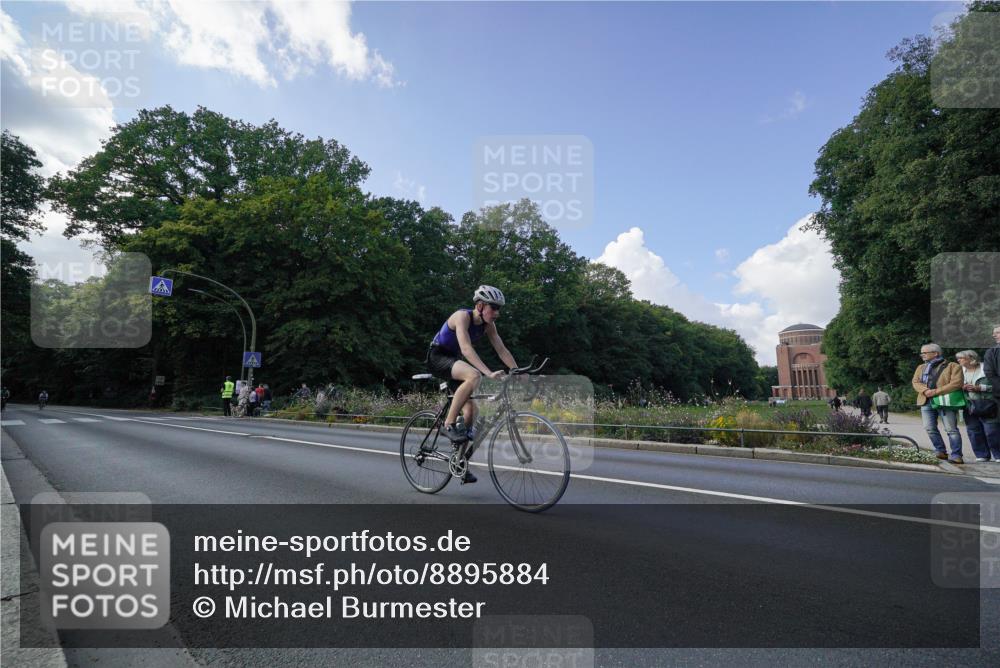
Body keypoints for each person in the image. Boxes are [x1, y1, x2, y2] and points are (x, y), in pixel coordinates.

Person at [426, 285, 518, 483]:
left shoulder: (488, 326)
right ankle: (448, 424)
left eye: (499, 309)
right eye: (493, 308)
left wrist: (518, 371)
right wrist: (488, 373)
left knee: (471, 412)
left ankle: (459, 462)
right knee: (474, 375)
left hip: (454, 362)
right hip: (438, 356)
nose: (497, 313)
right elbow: (466, 349)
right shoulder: (462, 317)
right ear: (480, 305)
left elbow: (502, 350)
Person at [912, 343, 965, 464]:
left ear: (935, 353)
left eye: (925, 353)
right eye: (922, 353)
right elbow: (915, 382)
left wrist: (935, 392)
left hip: (945, 401)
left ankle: (957, 455)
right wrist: (925, 391)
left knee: (951, 429)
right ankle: (940, 451)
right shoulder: (920, 367)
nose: (922, 355)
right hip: (925, 400)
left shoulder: (953, 366)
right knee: (929, 428)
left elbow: (956, 383)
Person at [957, 350, 999, 463]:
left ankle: (998, 454)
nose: (958, 360)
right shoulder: (959, 371)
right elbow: (954, 385)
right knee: (973, 430)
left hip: (988, 404)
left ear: (971, 358)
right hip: (969, 405)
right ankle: (982, 454)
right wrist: (962, 387)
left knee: (992, 430)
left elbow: (997, 384)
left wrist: (981, 388)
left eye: (961, 358)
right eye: (958, 358)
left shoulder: (987, 368)